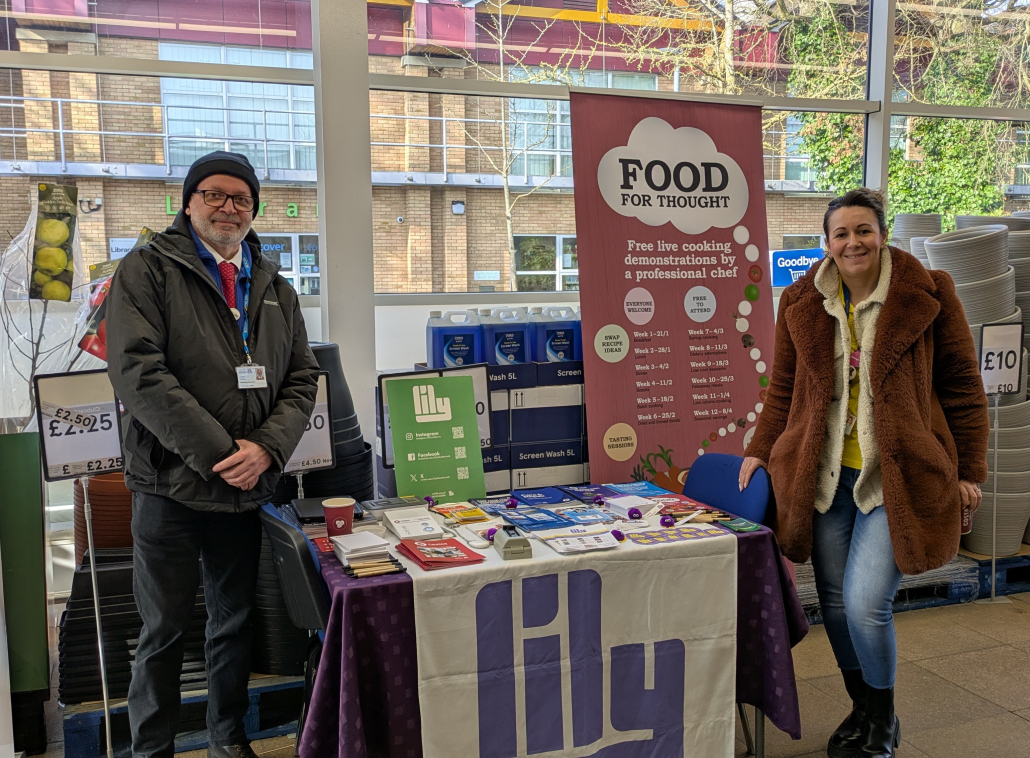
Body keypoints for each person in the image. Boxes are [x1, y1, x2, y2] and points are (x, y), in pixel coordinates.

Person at [739, 189, 989, 758]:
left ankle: (884, 718)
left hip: (892, 478)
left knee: (863, 603)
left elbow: (963, 388)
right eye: (841, 234)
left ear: (883, 234)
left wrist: (970, 469)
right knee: (831, 601)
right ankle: (862, 709)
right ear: (826, 243)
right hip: (823, 475)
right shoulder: (801, 300)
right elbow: (783, 388)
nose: (853, 242)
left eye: (864, 231)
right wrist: (759, 448)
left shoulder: (930, 294)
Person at [106, 151, 320, 758]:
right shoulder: (147, 269)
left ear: (254, 208)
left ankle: (230, 740)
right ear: (189, 201)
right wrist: (224, 453)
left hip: (247, 484)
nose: (229, 207)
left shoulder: (275, 284)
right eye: (214, 195)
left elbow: (303, 378)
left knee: (233, 625)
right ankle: (152, 749)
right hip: (171, 483)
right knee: (163, 631)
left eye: (242, 199)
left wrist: (267, 449)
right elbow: (139, 373)